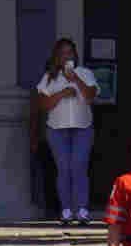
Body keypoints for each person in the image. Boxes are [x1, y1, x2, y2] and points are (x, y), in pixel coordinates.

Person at [34, 38, 99, 225]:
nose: (66, 56)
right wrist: (62, 93)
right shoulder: (49, 77)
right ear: (57, 57)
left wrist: (75, 80)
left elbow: (90, 96)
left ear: (74, 55)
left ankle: (82, 209)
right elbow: (43, 104)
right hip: (57, 129)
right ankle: (66, 209)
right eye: (62, 53)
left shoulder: (84, 73)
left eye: (69, 52)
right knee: (64, 169)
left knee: (79, 166)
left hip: (82, 128)